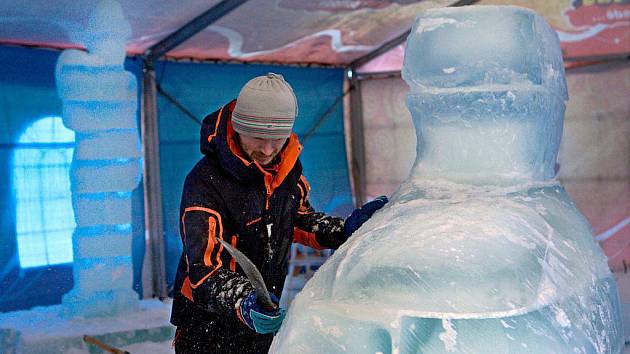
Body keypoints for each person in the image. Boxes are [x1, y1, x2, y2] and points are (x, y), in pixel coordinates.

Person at [170, 72, 387, 353]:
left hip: (262, 319)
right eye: (259, 137)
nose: (268, 149)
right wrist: (244, 302)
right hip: (208, 328)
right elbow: (204, 267)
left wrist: (340, 230)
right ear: (238, 127)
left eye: (278, 138)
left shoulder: (286, 169)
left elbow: (296, 219)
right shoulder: (206, 182)